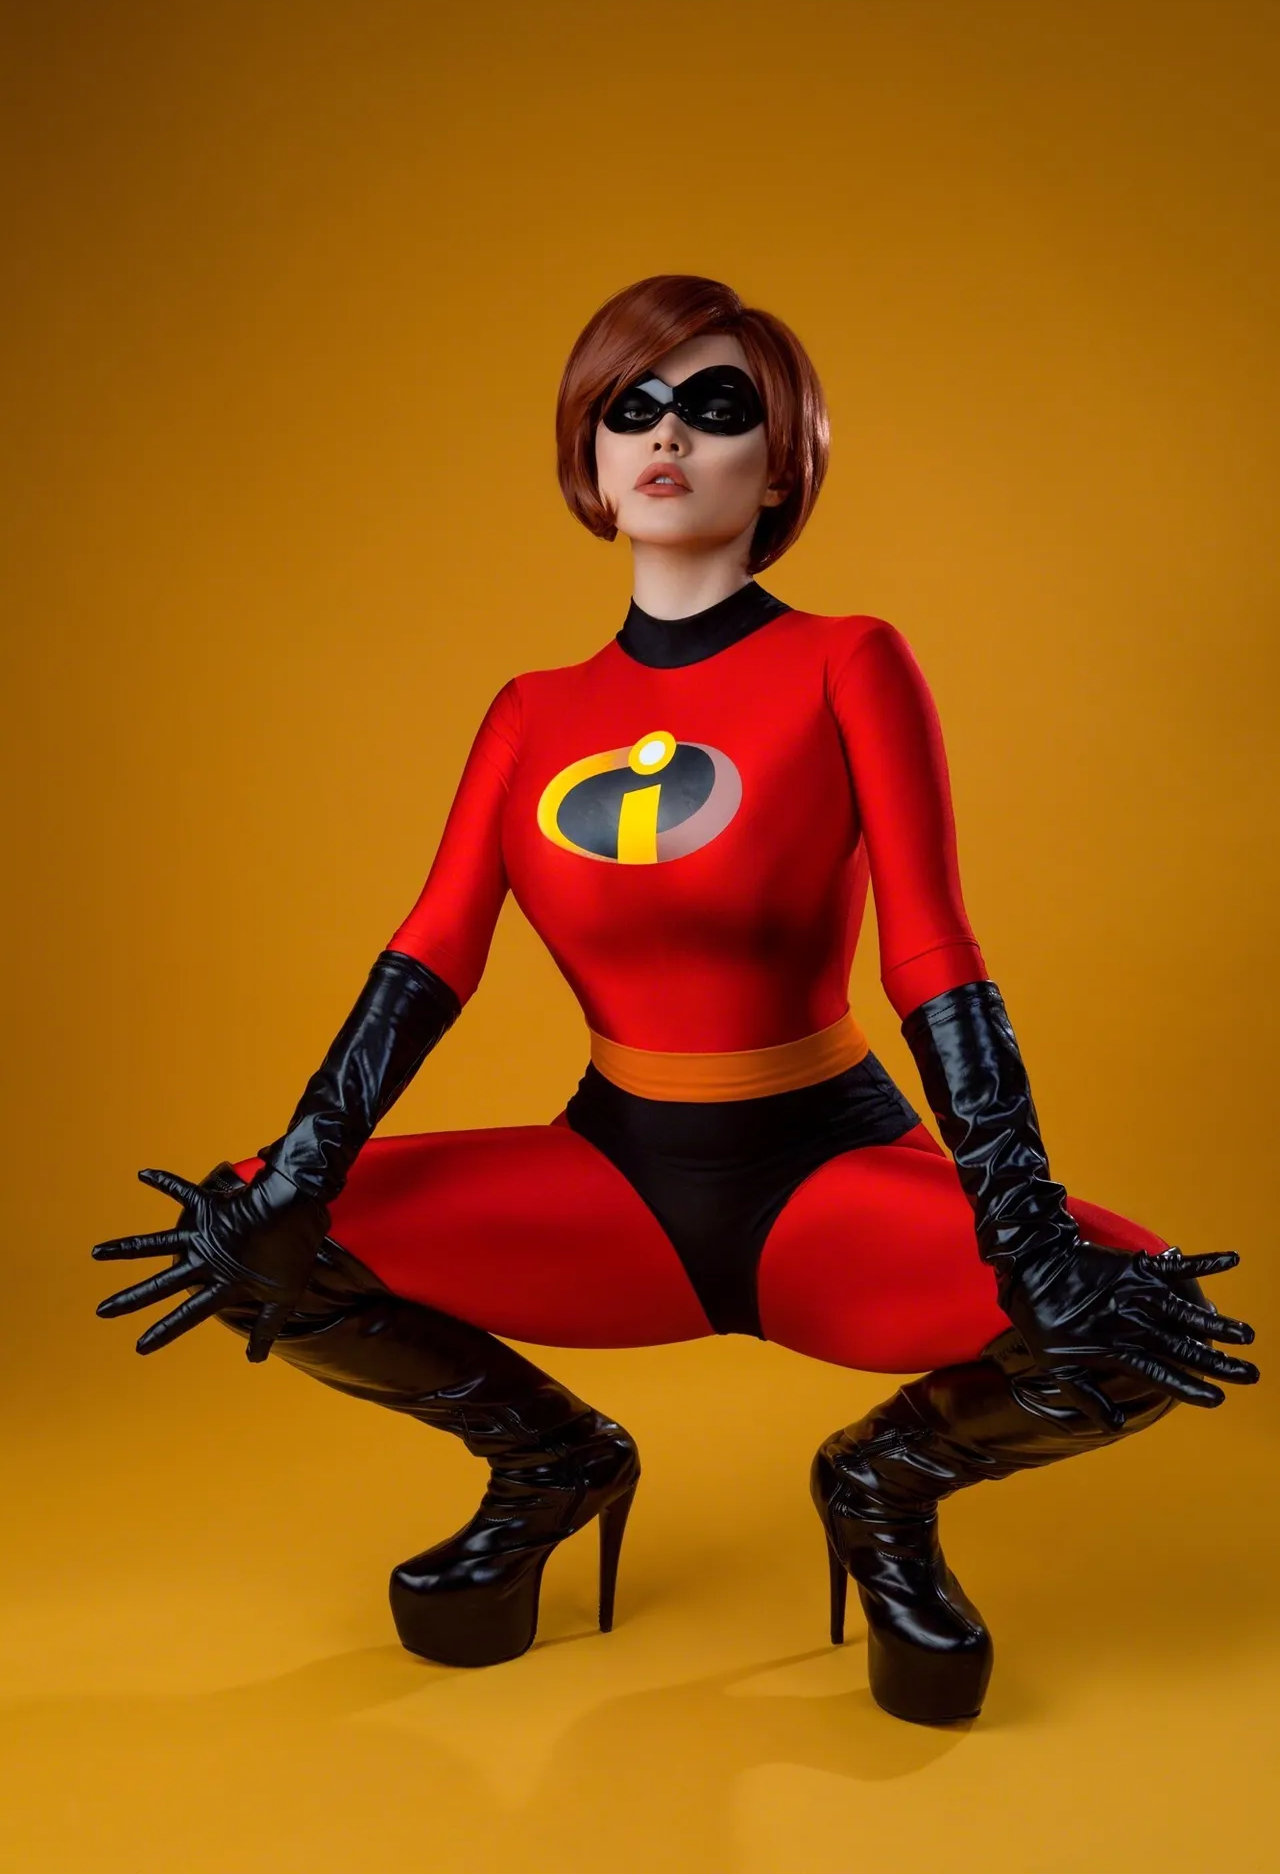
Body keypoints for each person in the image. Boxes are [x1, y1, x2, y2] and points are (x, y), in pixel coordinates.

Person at [94, 273, 1259, 1723]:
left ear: (780, 466)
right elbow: (434, 951)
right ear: (589, 459)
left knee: (1137, 1313)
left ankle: (887, 1485)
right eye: (630, 407)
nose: (666, 434)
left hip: (824, 1185)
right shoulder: (533, 712)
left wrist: (1020, 1223)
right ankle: (550, 1463)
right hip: (619, 1187)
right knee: (234, 1233)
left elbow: (932, 952)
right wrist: (299, 1174)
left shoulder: (847, 661)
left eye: (716, 408)